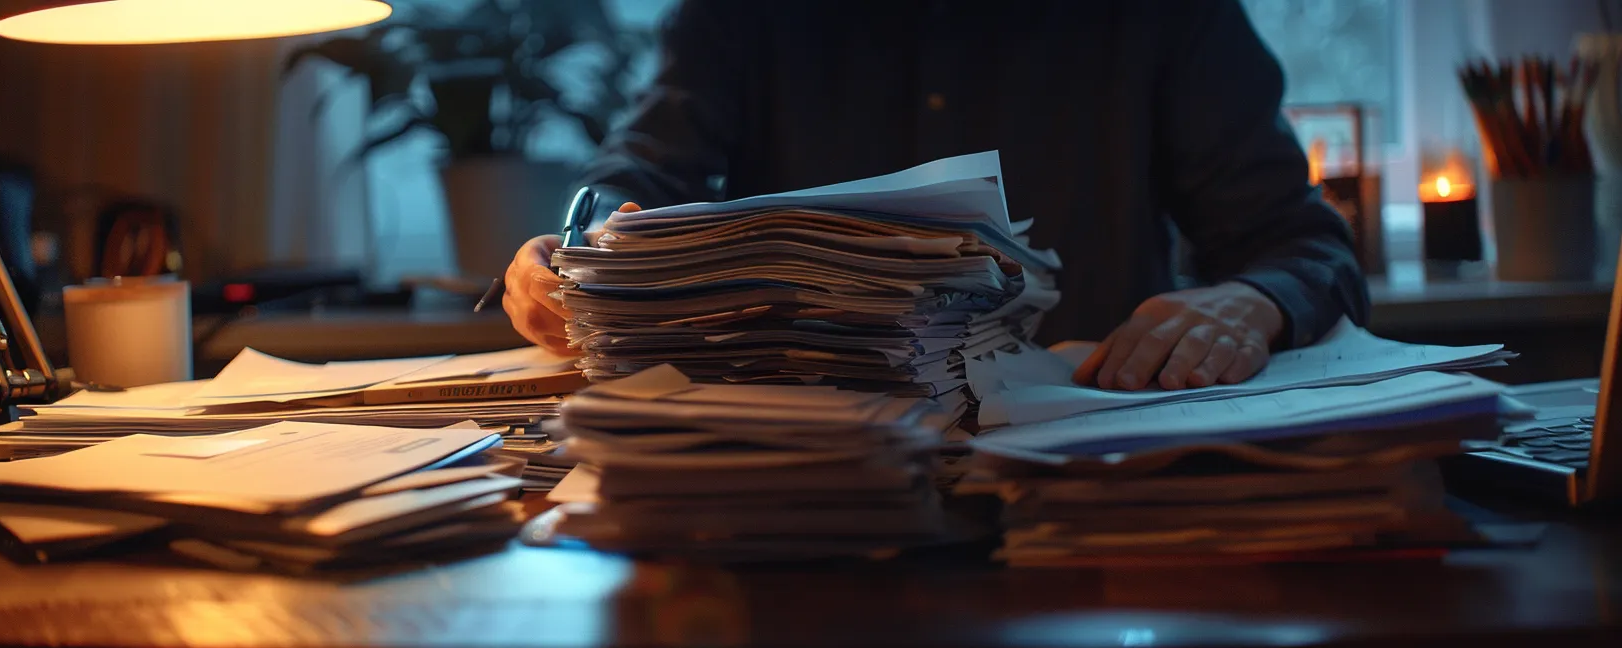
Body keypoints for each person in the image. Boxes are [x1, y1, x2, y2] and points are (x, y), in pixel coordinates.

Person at [504, 0, 1370, 392]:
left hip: (1097, 464)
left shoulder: (1165, 14)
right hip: (797, 474)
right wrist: (575, 253)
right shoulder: (742, 14)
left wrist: (1250, 303)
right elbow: (643, 174)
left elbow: (1302, 244)